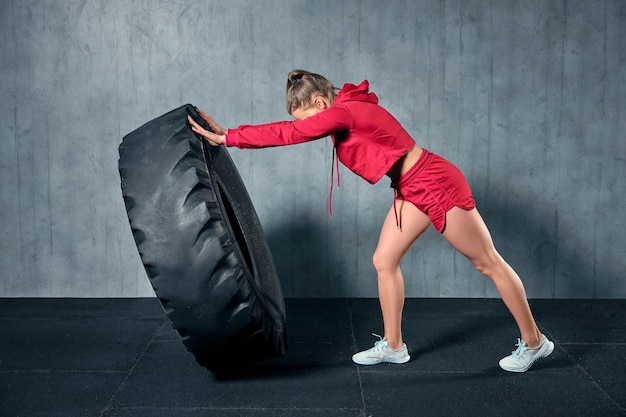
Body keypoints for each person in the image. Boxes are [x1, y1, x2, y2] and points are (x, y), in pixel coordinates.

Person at [187, 69, 554, 372]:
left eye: (311, 118)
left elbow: (291, 132)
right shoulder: (345, 108)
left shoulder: (344, 111)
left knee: (487, 262)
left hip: (434, 182)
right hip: (410, 188)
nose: (313, 128)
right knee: (384, 261)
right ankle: (394, 346)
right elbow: (299, 128)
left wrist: (229, 137)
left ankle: (535, 342)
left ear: (319, 103)